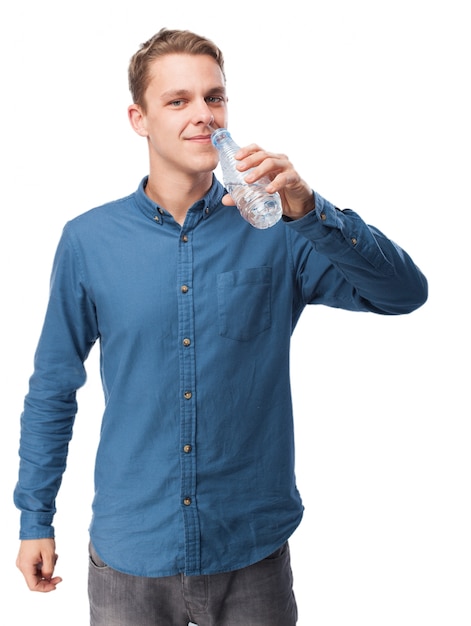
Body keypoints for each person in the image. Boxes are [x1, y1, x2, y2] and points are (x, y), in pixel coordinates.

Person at [14, 27, 428, 626]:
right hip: (133, 555)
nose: (203, 115)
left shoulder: (283, 230)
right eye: (177, 101)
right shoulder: (88, 241)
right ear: (139, 118)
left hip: (251, 552)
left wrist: (313, 210)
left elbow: (404, 295)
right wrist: (35, 519)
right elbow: (52, 387)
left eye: (214, 97)